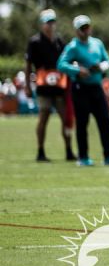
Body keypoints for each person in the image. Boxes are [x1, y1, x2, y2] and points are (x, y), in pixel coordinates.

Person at [57, 15, 109, 166]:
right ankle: (83, 157)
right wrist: (78, 70)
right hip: (80, 88)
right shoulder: (73, 47)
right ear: (77, 31)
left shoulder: (97, 43)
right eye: (82, 28)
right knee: (82, 123)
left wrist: (102, 67)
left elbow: (107, 60)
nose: (85, 31)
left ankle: (108, 156)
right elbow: (61, 64)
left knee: (104, 120)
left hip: (96, 87)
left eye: (87, 27)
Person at [25, 9, 74, 162]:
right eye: (48, 22)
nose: (51, 25)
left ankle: (69, 151)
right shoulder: (35, 42)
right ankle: (40, 152)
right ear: (42, 24)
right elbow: (28, 65)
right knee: (43, 118)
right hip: (44, 87)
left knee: (66, 118)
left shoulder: (60, 41)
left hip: (60, 86)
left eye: (52, 22)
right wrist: (27, 85)